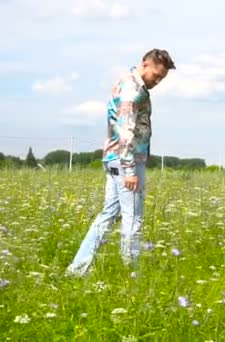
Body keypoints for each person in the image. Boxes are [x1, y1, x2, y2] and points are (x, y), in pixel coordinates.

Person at [65, 49, 176, 277]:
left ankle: (77, 270)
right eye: (156, 75)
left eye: (161, 78)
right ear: (145, 65)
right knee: (133, 219)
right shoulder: (132, 90)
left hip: (114, 158)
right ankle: (132, 275)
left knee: (109, 215)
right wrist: (130, 170)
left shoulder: (126, 82)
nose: (157, 81)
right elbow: (126, 131)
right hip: (127, 161)